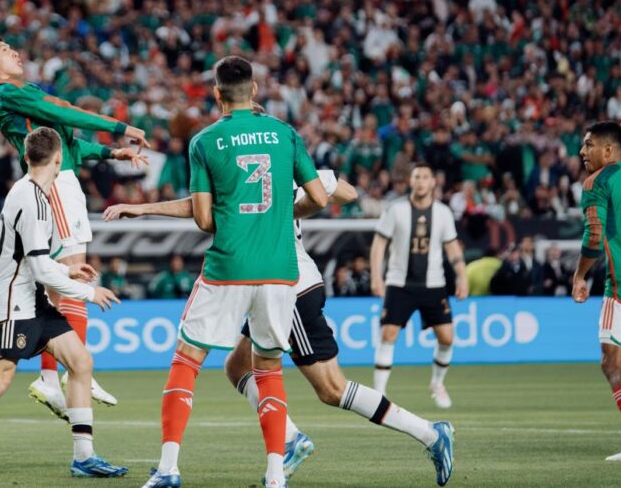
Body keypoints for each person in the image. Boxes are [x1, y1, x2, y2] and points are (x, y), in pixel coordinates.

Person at [107, 169, 454, 486]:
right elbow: (345, 193)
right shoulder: (276, 163)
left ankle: (429, 433)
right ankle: (290, 438)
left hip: (292, 287)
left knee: (331, 389)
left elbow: (346, 194)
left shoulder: (260, 164)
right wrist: (314, 189)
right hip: (265, 283)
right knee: (237, 366)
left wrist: (303, 199)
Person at [125, 56, 328, 488]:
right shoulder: (285, 135)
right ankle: (276, 476)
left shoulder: (205, 142)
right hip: (279, 269)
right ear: (254, 91)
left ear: (216, 94)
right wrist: (277, 215)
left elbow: (202, 218)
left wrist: (230, 215)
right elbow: (319, 198)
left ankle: (168, 469)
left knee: (186, 360)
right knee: (268, 368)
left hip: (228, 266)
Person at [0, 128, 126, 481]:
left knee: (81, 362)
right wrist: (88, 292)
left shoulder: (32, 192)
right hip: (12, 302)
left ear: (26, 157)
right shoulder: (33, 199)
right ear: (58, 160)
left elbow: (36, 259)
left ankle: (84, 457)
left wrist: (68, 267)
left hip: (31, 298)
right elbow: (37, 266)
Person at [0, 36, 148, 417]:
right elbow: (67, 114)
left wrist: (109, 152)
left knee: (65, 279)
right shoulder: (5, 94)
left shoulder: (25, 92)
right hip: (56, 183)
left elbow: (65, 137)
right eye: (4, 50)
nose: (15, 52)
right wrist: (120, 127)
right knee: (73, 272)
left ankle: (52, 379)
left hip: (64, 177)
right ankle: (70, 370)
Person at [571, 120, 621, 461]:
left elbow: (593, 235)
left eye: (588, 145)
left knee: (611, 358)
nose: (582, 152)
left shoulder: (598, 182)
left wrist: (579, 276)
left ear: (607, 150)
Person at [370, 164, 468, 409]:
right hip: (399, 282)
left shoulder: (443, 213)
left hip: (433, 284)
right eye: (417, 177)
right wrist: (376, 277)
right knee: (388, 334)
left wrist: (462, 276)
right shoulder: (396, 209)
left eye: (426, 177)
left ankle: (437, 384)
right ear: (411, 181)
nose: (421, 181)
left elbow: (452, 247)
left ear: (433, 182)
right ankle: (379, 394)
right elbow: (379, 244)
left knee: (447, 337)